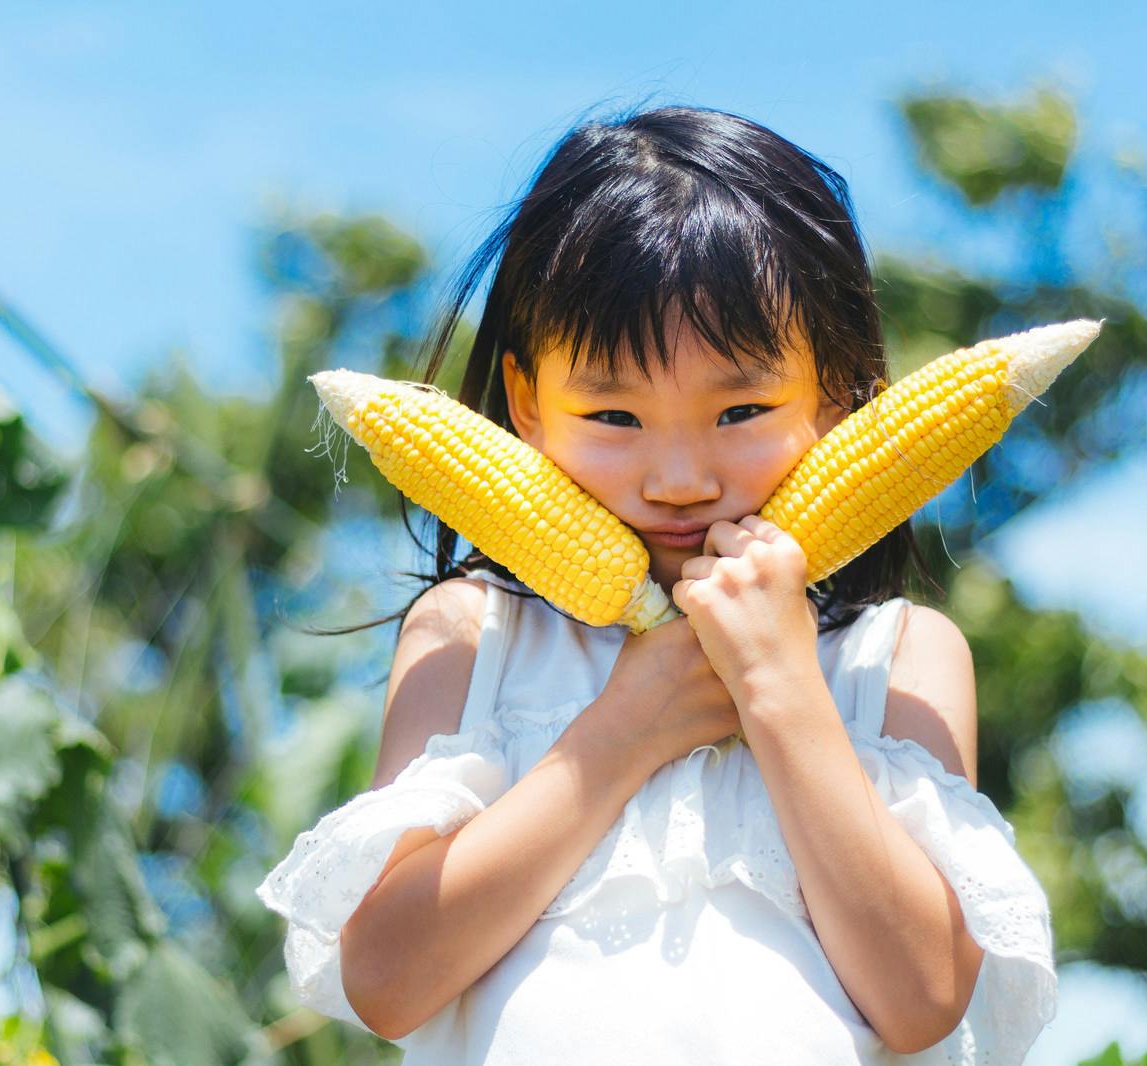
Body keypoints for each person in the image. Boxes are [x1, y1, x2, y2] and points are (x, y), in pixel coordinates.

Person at [256, 103, 1056, 1064]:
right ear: (528, 407)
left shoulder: (899, 658)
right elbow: (385, 981)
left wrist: (781, 690)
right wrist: (624, 731)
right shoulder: (471, 639)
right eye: (615, 416)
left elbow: (923, 995)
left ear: (840, 396)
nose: (680, 479)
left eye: (743, 408)